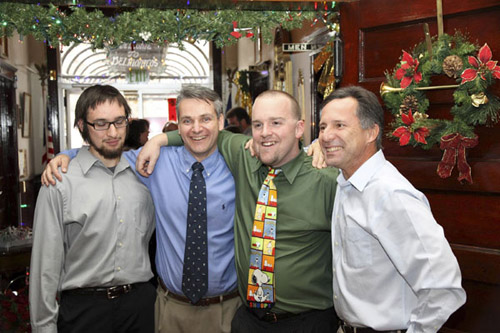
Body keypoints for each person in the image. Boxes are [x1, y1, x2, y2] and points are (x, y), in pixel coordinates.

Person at [42, 86, 239, 333]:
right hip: (169, 311)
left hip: (227, 310)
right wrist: (63, 155)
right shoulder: (153, 162)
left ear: (221, 121)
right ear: (178, 125)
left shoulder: (239, 165)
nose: (196, 128)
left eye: (206, 119)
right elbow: (101, 154)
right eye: (187, 120)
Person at [138, 90, 339, 332]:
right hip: (248, 320)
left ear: (299, 129)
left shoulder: (327, 180)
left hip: (308, 321)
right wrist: (158, 140)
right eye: (258, 124)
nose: (265, 132)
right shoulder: (243, 156)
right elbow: (201, 133)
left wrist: (324, 147)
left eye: (276, 123)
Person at [318, 86, 466, 333]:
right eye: (323, 127)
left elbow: (444, 287)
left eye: (339, 126)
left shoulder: (390, 194)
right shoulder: (346, 183)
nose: (326, 136)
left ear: (371, 132)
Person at [30, 85, 156, 332]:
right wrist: (44, 326)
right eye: (100, 124)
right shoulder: (59, 182)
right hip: (83, 311)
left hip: (140, 308)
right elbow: (45, 266)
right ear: (81, 126)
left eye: (119, 122)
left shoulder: (145, 175)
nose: (112, 132)